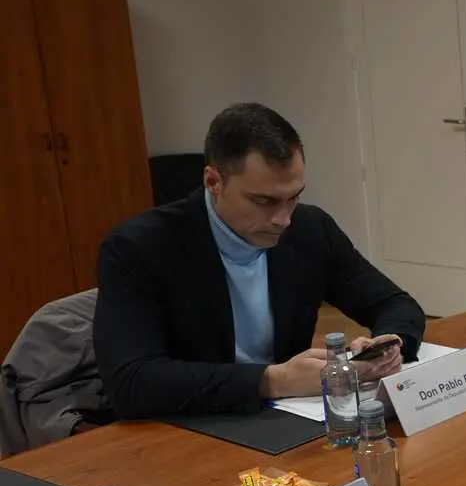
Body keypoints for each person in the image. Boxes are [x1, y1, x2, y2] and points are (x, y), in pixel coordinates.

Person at [95, 102, 426, 419]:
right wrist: (273, 380)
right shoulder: (139, 247)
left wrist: (390, 343)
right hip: (189, 426)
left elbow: (396, 305)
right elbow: (132, 383)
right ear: (213, 182)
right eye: (264, 201)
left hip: (289, 419)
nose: (283, 219)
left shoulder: (310, 229)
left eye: (293, 198)